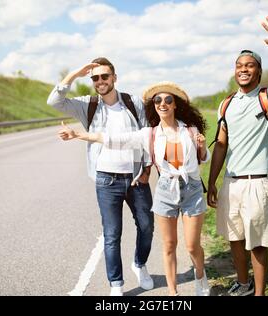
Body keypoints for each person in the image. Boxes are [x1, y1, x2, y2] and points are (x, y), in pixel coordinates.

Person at [59, 81, 211, 296]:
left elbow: (204, 159)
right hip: (166, 190)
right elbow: (113, 140)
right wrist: (79, 135)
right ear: (154, 106)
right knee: (168, 245)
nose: (163, 103)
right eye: (158, 100)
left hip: (191, 189)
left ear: (175, 104)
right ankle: (173, 293)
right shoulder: (149, 134)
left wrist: (203, 147)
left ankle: (200, 276)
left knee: (192, 246)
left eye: (168, 100)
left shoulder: (191, 130)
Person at [207, 16, 268, 296]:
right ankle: (243, 284)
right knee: (235, 239)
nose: (243, 70)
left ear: (258, 72)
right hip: (231, 182)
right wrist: (213, 181)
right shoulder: (226, 104)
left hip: (257, 183)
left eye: (249, 66)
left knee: (259, 243)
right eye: (239, 66)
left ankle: (260, 293)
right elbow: (221, 146)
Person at [47, 57, 154, 296]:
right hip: (107, 181)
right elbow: (54, 100)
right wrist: (76, 73)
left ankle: (140, 264)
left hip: (136, 178)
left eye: (105, 76)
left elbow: (147, 135)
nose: (100, 81)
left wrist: (146, 170)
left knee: (146, 227)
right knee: (112, 234)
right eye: (95, 77)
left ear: (114, 77)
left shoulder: (132, 101)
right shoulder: (89, 104)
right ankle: (116, 284)